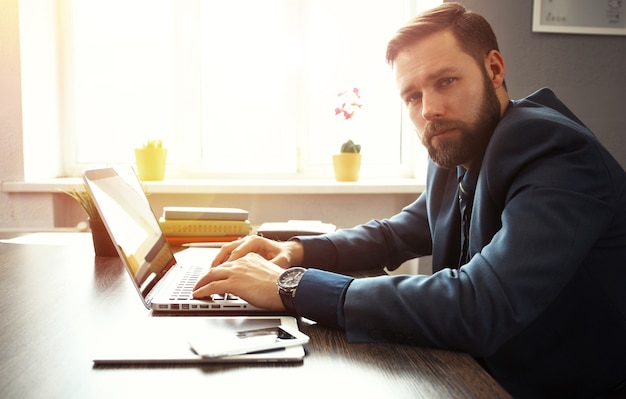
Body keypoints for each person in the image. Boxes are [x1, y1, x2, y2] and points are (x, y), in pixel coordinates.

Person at [193, 3, 626, 398]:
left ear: (494, 69)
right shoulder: (456, 148)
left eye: (446, 81)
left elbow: (480, 303)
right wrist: (294, 250)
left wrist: (292, 287)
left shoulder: (553, 150)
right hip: (483, 375)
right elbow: (398, 232)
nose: (430, 109)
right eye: (412, 96)